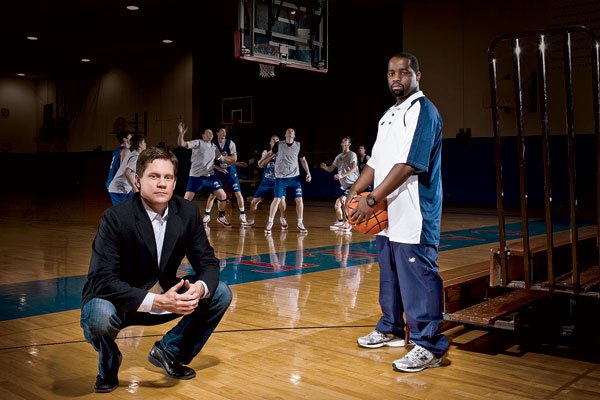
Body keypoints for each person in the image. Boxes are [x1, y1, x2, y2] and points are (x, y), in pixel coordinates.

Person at [80, 147, 232, 393]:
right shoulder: (115, 218)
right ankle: (108, 365)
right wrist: (157, 300)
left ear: (174, 182)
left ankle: (169, 351)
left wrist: (199, 288)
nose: (162, 183)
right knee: (97, 315)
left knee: (220, 293)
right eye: (154, 176)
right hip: (120, 302)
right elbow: (101, 280)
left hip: (165, 296)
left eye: (168, 177)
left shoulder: (187, 212)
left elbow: (207, 262)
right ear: (138, 181)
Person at [346, 52, 447, 373]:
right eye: (391, 73)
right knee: (390, 276)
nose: (396, 78)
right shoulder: (388, 115)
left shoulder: (423, 111)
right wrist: (352, 192)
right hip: (389, 215)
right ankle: (390, 327)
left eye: (403, 73)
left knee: (420, 277)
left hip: (414, 213)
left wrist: (371, 200)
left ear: (417, 75)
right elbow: (375, 162)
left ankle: (428, 345)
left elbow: (410, 164)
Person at [177, 122, 231, 227]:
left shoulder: (214, 147)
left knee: (223, 195)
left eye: (211, 133)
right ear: (203, 135)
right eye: (208, 132)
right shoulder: (198, 143)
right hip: (196, 177)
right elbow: (182, 144)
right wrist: (181, 134)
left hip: (209, 177)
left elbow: (222, 159)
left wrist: (235, 163)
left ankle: (221, 217)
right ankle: (180, 219)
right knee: (187, 200)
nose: (210, 134)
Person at [262, 128, 311, 233]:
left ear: (294, 135)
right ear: (285, 134)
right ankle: (270, 222)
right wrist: (261, 160)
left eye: (292, 131)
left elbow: (303, 160)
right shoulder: (279, 144)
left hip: (294, 177)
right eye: (288, 131)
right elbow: (270, 153)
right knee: (277, 199)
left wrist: (308, 173)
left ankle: (300, 222)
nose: (290, 131)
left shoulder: (298, 145)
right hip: (281, 177)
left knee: (299, 200)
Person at [203, 127, 250, 226]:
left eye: (225, 132)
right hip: (217, 172)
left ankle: (243, 215)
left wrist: (221, 158)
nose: (224, 133)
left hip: (230, 172)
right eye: (222, 131)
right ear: (217, 133)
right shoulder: (212, 145)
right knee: (213, 194)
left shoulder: (230, 143)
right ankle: (207, 215)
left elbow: (235, 157)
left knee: (238, 193)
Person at [245, 135, 287, 228]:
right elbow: (262, 164)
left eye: (277, 140)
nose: (275, 141)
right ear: (270, 142)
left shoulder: (283, 153)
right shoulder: (266, 152)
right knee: (253, 202)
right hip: (266, 181)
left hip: (278, 181)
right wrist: (272, 155)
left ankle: (283, 218)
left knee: (282, 200)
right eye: (273, 140)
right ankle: (252, 220)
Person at [320, 136, 359, 232]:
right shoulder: (338, 157)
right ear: (341, 144)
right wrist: (325, 167)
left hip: (353, 183)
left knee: (344, 201)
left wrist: (342, 175)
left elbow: (354, 168)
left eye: (346, 140)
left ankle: (349, 223)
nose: (344, 140)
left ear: (349, 144)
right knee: (337, 206)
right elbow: (331, 169)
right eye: (343, 140)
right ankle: (341, 222)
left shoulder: (352, 154)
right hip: (344, 185)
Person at [107, 134, 146, 205]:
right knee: (123, 213)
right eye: (144, 143)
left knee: (134, 208)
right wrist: (135, 188)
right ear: (140, 145)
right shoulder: (135, 157)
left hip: (124, 189)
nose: (145, 144)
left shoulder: (132, 154)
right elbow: (126, 173)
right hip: (119, 190)